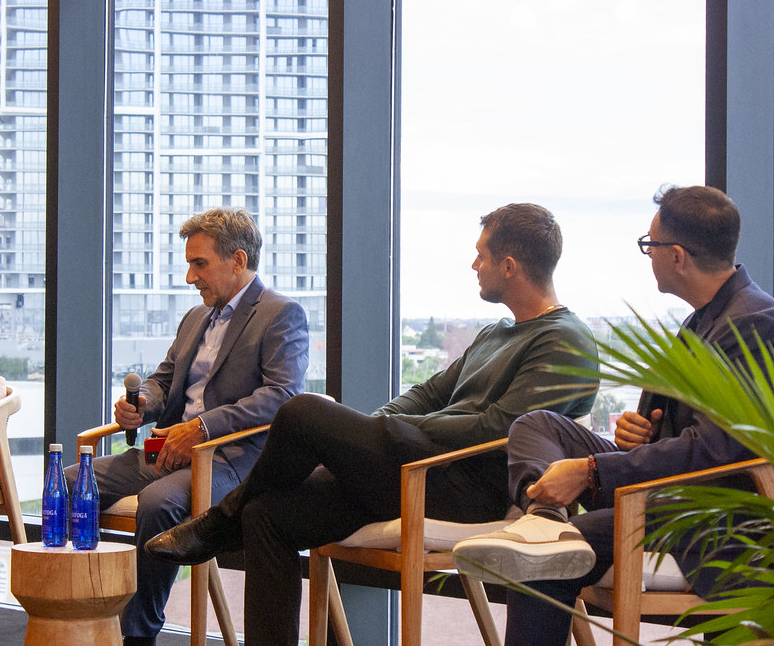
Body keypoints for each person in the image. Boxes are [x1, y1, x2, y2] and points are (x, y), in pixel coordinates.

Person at [145, 203, 601, 645]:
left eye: (481, 256)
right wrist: (377, 427)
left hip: (467, 485)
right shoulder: (495, 333)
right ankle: (231, 522)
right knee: (267, 516)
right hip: (413, 469)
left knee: (303, 410)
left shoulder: (565, 340)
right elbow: (429, 393)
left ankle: (218, 524)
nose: (474, 265)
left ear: (509, 266)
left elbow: (500, 429)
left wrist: (407, 431)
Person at [453, 185, 774, 646]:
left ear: (677, 256)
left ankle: (545, 532)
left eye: (650, 246)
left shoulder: (755, 323)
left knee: (546, 558)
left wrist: (592, 470)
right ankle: (543, 515)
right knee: (536, 424)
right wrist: (641, 433)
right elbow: (686, 431)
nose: (648, 256)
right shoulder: (705, 318)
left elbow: (718, 451)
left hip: (706, 510)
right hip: (664, 485)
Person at [64, 207, 309, 646]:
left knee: (158, 504)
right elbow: (163, 381)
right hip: (167, 450)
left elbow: (281, 396)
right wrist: (142, 405)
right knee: (67, 484)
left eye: (200, 264)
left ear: (237, 260)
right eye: (189, 264)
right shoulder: (196, 317)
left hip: (230, 460)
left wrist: (201, 427)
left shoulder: (280, 313)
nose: (190, 277)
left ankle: (137, 636)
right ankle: (79, 615)